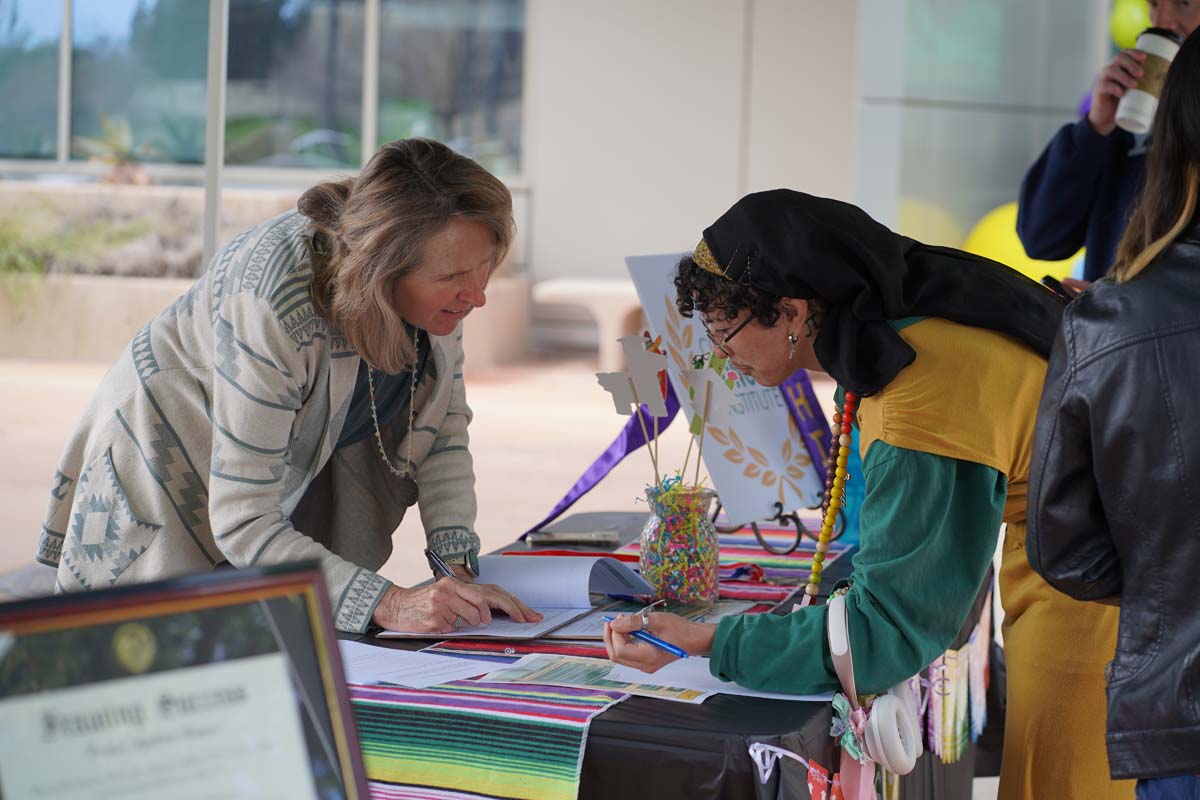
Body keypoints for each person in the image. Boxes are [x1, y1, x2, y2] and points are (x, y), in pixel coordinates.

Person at [603, 189, 1132, 798]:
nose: (720, 357)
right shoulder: (901, 320)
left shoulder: (918, 389)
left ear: (795, 312)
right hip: (1088, 550)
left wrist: (710, 641)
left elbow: (887, 630)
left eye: (726, 332)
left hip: (1104, 588)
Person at [35, 138, 540, 635]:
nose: (477, 296)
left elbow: (442, 428)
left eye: (485, 269)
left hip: (270, 485)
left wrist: (459, 573)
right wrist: (389, 602)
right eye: (454, 276)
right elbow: (243, 520)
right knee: (156, 663)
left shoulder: (438, 277)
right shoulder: (273, 302)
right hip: (165, 467)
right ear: (382, 274)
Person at [1027, 29, 1200, 798]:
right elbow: (1043, 230)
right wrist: (1095, 126)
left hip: (1179, 708)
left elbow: (1064, 548)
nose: (1164, 14)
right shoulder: (1111, 118)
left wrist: (1165, 580)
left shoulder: (1105, 322)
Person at [1017, 1, 1200, 294]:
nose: (1164, 20)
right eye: (1154, 4)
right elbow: (1040, 237)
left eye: (1183, 3)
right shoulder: (1119, 129)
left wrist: (1126, 308)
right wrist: (1094, 129)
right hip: (1112, 335)